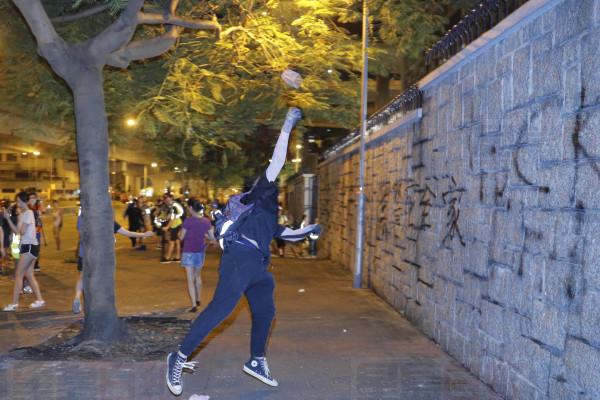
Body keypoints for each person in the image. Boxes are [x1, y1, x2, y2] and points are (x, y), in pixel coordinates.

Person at [165, 108, 321, 396]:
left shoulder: (269, 217)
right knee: (220, 311)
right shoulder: (259, 196)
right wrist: (287, 126)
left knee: (265, 311)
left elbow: (286, 234)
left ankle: (256, 360)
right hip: (239, 259)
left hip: (258, 268)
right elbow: (277, 161)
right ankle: (179, 356)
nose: (278, 185)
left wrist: (309, 230)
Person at [72, 211, 155, 314]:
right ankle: (96, 303)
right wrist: (144, 234)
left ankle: (77, 297)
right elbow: (128, 233)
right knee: (99, 279)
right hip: (99, 255)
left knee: (82, 276)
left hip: (84, 252)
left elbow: (81, 233)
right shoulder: (108, 222)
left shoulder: (82, 218)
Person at [2, 192, 45, 311]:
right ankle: (40, 300)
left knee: (18, 275)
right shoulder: (23, 214)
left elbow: (21, 231)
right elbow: (16, 231)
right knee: (29, 275)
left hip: (29, 246)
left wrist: (11, 219)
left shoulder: (28, 213)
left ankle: (14, 304)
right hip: (28, 246)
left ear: (24, 201)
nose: (18, 203)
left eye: (19, 201)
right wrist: (8, 218)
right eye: (17, 201)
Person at [179, 199, 216, 312]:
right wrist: (204, 235)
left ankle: (194, 304)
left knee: (190, 279)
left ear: (190, 208)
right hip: (200, 251)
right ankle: (199, 299)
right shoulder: (206, 221)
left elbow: (181, 237)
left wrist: (180, 233)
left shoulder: (188, 221)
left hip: (188, 251)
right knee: (198, 276)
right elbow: (212, 238)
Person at [161, 194, 184, 263]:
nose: (166, 200)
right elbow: (171, 215)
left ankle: (167, 258)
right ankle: (177, 257)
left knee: (172, 240)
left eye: (168, 199)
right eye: (165, 199)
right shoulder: (173, 205)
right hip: (178, 223)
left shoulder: (174, 205)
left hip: (176, 224)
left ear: (171, 198)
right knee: (176, 240)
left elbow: (173, 218)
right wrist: (165, 218)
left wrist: (167, 227)